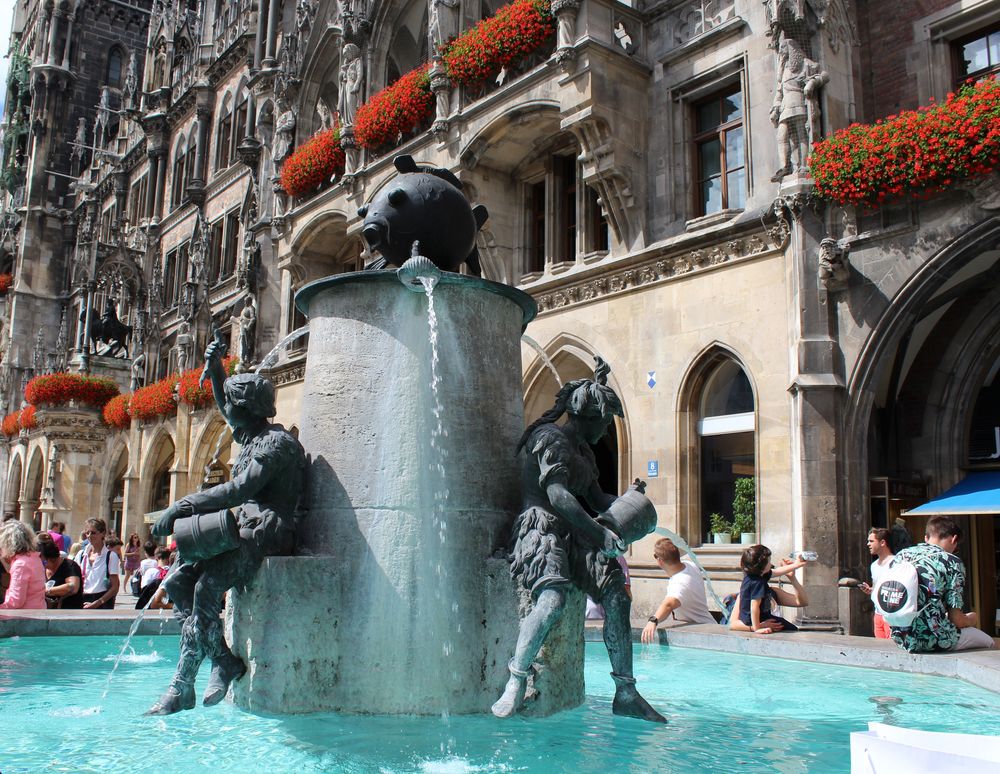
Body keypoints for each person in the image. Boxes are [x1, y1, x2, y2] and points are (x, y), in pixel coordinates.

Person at [492, 357, 664, 723]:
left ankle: (626, 691)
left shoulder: (585, 451)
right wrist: (599, 531)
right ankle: (516, 679)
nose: (605, 432)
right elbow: (558, 496)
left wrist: (627, 500)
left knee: (617, 595)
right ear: (586, 417)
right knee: (552, 599)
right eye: (603, 423)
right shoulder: (548, 438)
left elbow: (597, 498)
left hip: (574, 531)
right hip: (539, 527)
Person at [145, 337, 306, 715]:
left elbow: (240, 489)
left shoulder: (274, 444)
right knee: (177, 582)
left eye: (232, 405)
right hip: (244, 527)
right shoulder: (251, 435)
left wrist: (182, 506)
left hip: (270, 530)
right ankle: (220, 658)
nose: (225, 410)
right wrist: (217, 370)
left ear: (246, 409)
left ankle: (182, 684)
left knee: (206, 586)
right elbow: (224, 402)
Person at [888, 516, 996, 653]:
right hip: (935, 639)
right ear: (954, 539)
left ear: (926, 538)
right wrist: (972, 618)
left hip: (902, 638)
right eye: (956, 547)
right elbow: (956, 619)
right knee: (988, 641)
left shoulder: (901, 556)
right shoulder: (952, 561)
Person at [641, 538, 715, 642]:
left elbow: (668, 604)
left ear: (660, 561)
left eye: (655, 556)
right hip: (708, 626)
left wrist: (653, 621)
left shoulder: (680, 583)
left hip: (702, 634)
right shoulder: (690, 565)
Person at [733, 545, 808, 634]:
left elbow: (778, 571)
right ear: (762, 567)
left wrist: (796, 566)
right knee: (791, 629)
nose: (771, 564)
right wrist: (757, 628)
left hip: (762, 619)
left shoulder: (754, 576)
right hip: (754, 621)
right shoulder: (757, 583)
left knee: (791, 628)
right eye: (769, 561)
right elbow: (754, 607)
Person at [0, 520, 46, 610]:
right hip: (37, 612)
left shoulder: (20, 564)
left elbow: (15, 601)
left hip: (24, 618)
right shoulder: (34, 558)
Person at [77, 518, 121, 609]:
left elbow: (115, 586)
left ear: (103, 533)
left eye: (93, 533)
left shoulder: (111, 556)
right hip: (82, 599)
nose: (89, 536)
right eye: (87, 533)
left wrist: (98, 603)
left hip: (102, 600)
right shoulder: (81, 555)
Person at [858, 527, 894, 639]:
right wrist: (870, 590)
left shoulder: (896, 563)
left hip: (891, 615)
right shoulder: (874, 565)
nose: (868, 544)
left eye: (871, 541)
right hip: (878, 613)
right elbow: (876, 587)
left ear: (883, 542)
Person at [40, 537, 83, 609]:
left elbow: (73, 587)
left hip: (69, 613)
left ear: (52, 558)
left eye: (44, 562)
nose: (42, 564)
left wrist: (45, 591)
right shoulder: (42, 569)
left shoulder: (70, 566)